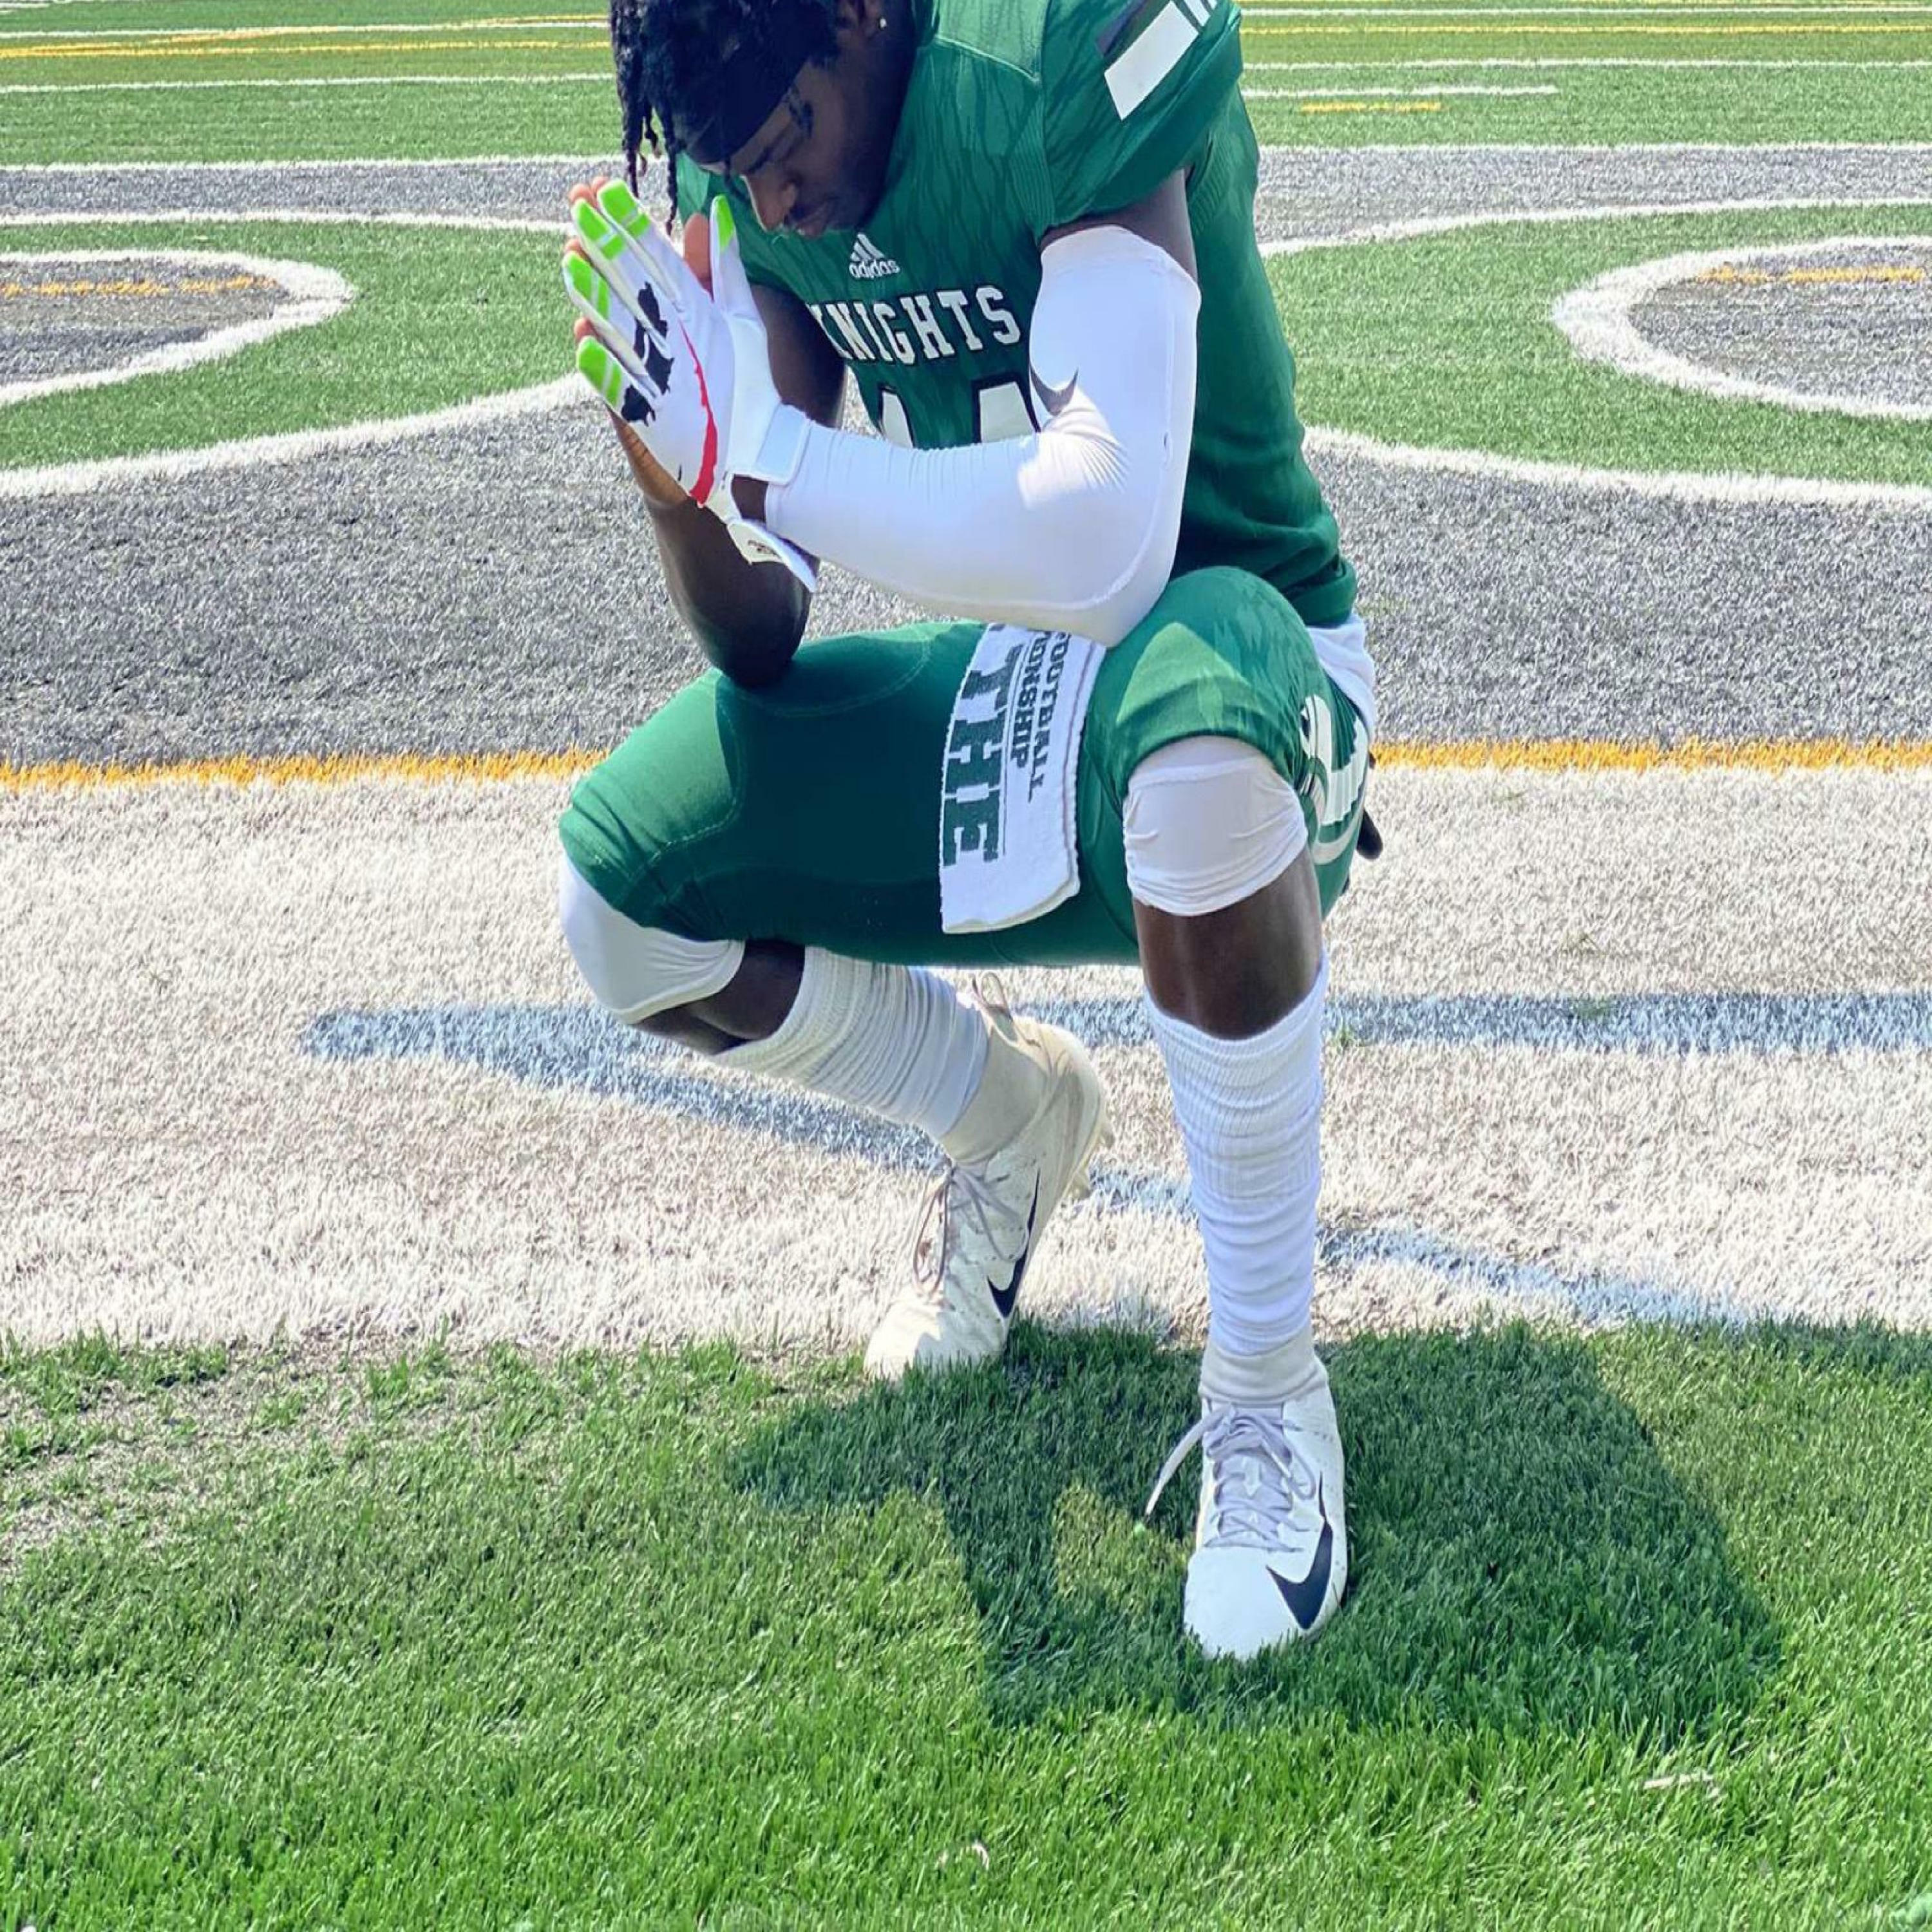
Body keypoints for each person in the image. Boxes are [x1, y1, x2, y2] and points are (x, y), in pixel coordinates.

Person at [553, 0, 1377, 1658]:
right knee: (625, 903)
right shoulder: (753, 158)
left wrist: (762, 455)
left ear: (864, 14)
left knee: (1197, 751)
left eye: (787, 142)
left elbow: (1107, 538)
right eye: (738, 170)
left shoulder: (1059, 43)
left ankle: (1268, 1394)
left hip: (1247, 674)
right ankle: (1006, 1119)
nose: (774, 202)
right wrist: (676, 487)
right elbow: (764, 630)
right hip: (1027, 688)